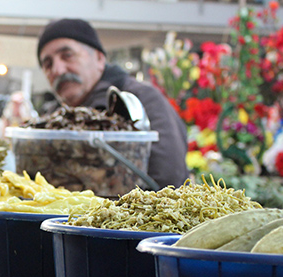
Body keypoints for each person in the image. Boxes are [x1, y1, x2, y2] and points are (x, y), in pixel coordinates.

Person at [37, 18, 190, 189]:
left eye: (67, 55)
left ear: (100, 58)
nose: (58, 69)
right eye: (48, 64)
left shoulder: (140, 99)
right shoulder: (52, 117)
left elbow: (168, 176)